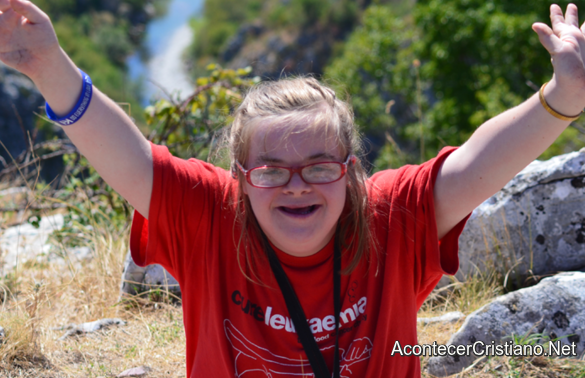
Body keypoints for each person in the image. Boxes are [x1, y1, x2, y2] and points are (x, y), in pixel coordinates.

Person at [1, 0, 584, 376]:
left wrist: (565, 98)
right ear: (241, 180)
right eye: (273, 169)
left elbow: (483, 160)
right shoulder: (208, 216)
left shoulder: (389, 217)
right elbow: (124, 154)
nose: (296, 185)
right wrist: (47, 63)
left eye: (319, 166)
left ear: (353, 172)